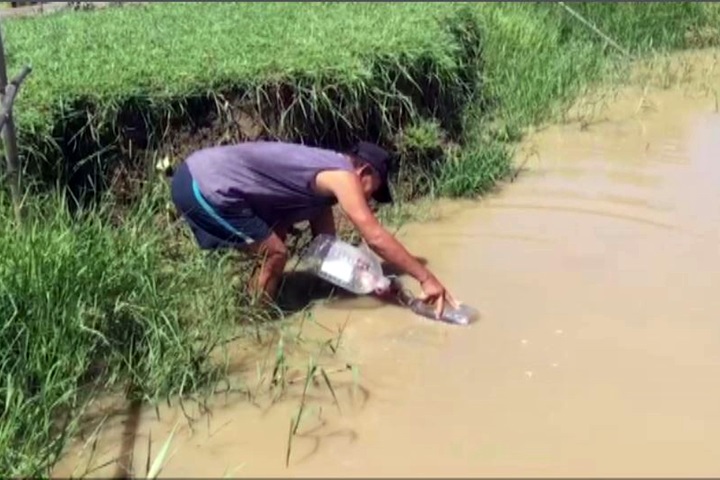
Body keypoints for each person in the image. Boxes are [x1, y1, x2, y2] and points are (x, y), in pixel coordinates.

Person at [170, 140, 458, 317]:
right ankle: (254, 322)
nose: (368, 199)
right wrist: (425, 279)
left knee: (273, 246)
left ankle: (251, 302)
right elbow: (375, 236)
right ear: (363, 172)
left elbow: (326, 251)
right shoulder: (341, 175)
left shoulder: (322, 190)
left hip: (210, 181)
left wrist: (375, 284)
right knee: (275, 254)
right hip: (202, 184)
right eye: (373, 191)